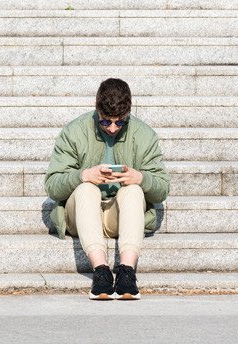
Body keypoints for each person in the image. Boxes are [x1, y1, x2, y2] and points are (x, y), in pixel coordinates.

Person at [44, 78, 170, 300]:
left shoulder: (144, 135)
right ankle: (101, 271)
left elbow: (162, 189)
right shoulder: (74, 132)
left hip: (118, 216)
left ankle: (127, 272)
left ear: (128, 113)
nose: (112, 128)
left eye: (120, 122)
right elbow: (53, 185)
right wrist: (83, 175)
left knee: (132, 190)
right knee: (86, 189)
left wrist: (140, 177)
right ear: (96, 110)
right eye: (105, 122)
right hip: (81, 213)